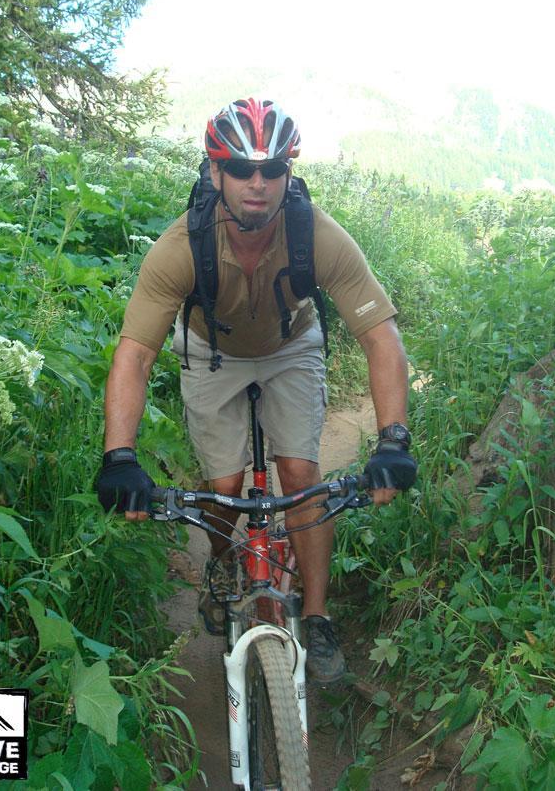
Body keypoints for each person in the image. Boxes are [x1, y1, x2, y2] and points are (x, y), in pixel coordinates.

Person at [96, 98, 417, 684]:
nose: (258, 183)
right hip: (210, 351)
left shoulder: (315, 235)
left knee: (300, 475)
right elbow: (135, 353)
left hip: (290, 345)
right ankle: (221, 566)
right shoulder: (181, 246)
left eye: (272, 170)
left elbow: (380, 334)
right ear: (215, 172)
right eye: (241, 168)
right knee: (222, 487)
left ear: (288, 175)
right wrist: (119, 457)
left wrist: (393, 439)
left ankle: (316, 618)